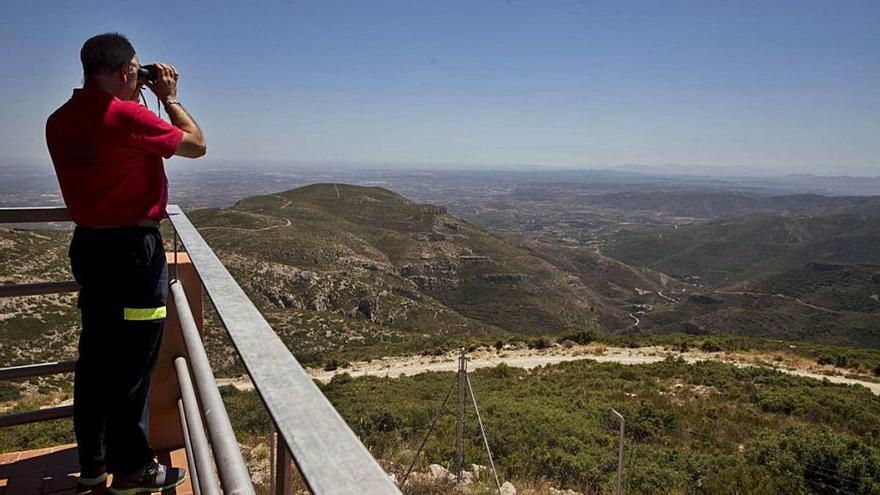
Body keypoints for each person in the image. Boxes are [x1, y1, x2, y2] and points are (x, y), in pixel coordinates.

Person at [45, 33, 205, 493]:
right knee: (134, 363)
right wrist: (170, 99)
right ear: (123, 72)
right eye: (136, 69)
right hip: (135, 255)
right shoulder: (128, 117)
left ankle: (93, 464)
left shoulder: (58, 121)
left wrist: (135, 92)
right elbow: (196, 145)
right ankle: (134, 469)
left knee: (95, 360)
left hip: (90, 250)